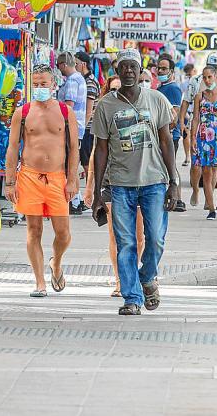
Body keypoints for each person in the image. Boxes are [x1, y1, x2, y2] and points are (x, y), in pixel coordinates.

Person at [91, 49, 179, 316]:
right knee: (126, 243)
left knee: (156, 239)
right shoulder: (105, 106)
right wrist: (97, 192)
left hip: (154, 181)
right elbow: (101, 149)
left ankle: (147, 276)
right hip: (120, 184)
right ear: (116, 71)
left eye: (133, 67)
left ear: (141, 72)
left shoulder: (156, 99)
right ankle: (132, 297)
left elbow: (166, 141)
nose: (129, 71)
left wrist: (174, 181)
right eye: (124, 67)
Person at [5, 64, 80, 297]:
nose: (39, 87)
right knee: (33, 229)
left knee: (63, 233)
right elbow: (12, 147)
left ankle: (56, 262)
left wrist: (72, 179)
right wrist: (10, 181)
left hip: (57, 178)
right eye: (35, 83)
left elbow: (74, 148)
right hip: (29, 176)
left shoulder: (66, 112)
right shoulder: (23, 112)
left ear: (53, 84)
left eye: (43, 83)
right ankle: (40, 282)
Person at [84, 76, 145, 297]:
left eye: (121, 88)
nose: (117, 93)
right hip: (111, 182)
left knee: (139, 237)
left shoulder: (141, 111)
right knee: (116, 236)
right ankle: (121, 281)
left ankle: (133, 276)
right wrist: (90, 187)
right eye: (112, 90)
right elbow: (95, 153)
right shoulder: (104, 115)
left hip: (139, 181)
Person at [179, 53, 217, 206]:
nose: (208, 79)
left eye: (215, 68)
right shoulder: (195, 81)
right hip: (199, 128)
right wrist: (182, 122)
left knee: (214, 169)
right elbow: (186, 101)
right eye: (210, 67)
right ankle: (196, 190)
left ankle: (210, 201)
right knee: (196, 166)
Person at [190, 66, 217, 220]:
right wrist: (193, 138)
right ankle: (211, 208)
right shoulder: (199, 96)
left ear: (216, 76)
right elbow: (195, 118)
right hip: (204, 138)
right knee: (207, 174)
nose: (207, 80)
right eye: (204, 77)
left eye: (209, 77)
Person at [56, 52, 87, 215]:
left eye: (58, 66)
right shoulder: (79, 78)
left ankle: (73, 201)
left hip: (70, 127)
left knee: (69, 163)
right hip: (76, 127)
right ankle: (76, 199)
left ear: (63, 65)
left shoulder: (72, 81)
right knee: (71, 162)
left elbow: (68, 106)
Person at [156, 54, 186, 212]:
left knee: (171, 166)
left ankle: (178, 199)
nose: (160, 71)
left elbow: (174, 115)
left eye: (164, 68)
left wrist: (166, 132)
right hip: (161, 135)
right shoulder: (161, 88)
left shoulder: (173, 88)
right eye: (159, 68)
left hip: (169, 136)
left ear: (172, 71)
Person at [76, 51, 100, 185]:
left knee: (87, 162)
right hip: (85, 128)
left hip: (87, 128)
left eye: (76, 63)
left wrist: (81, 131)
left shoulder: (89, 82)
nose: (75, 66)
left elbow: (88, 111)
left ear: (83, 64)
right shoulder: (84, 80)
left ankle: (91, 190)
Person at [179, 63, 196, 165]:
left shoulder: (199, 82)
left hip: (194, 112)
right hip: (188, 112)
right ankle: (188, 157)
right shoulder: (184, 84)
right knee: (187, 135)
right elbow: (182, 101)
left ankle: (191, 157)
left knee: (192, 135)